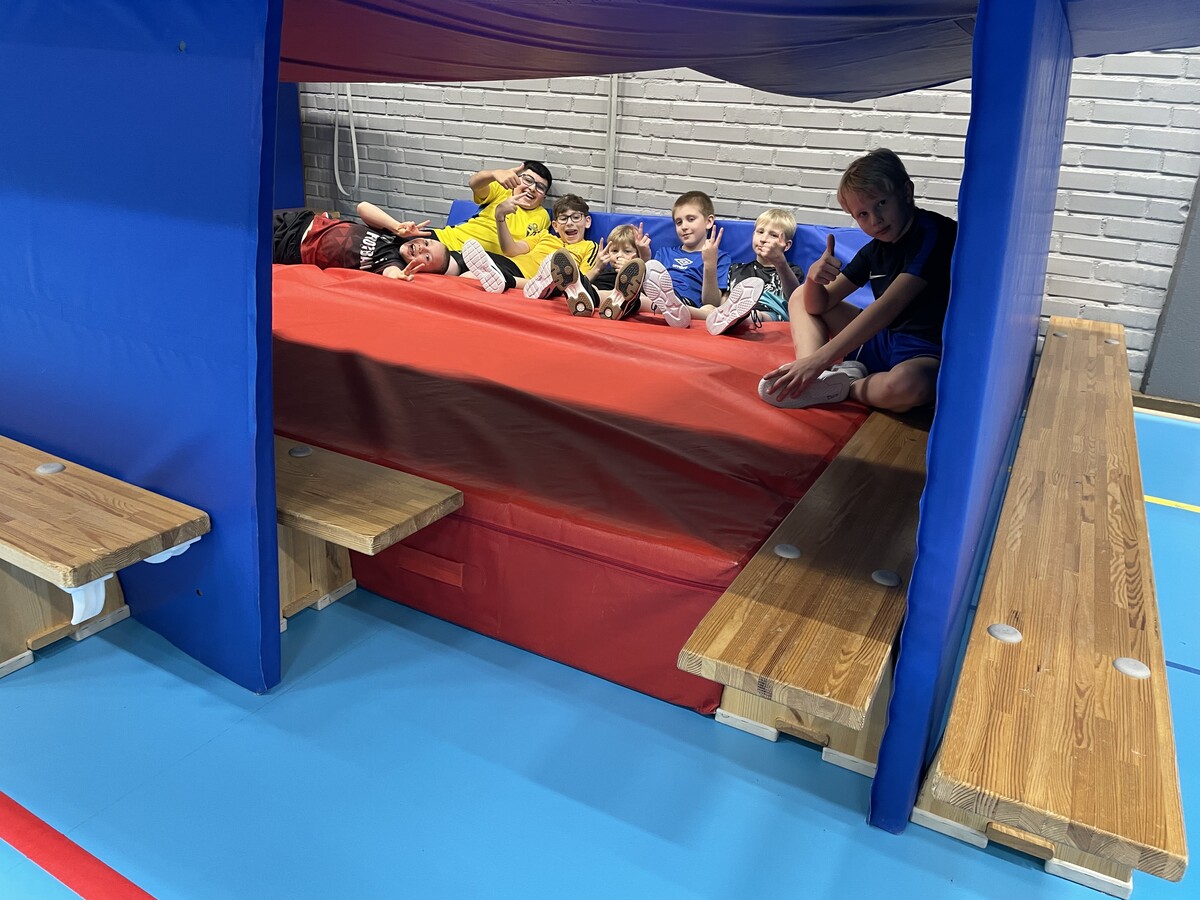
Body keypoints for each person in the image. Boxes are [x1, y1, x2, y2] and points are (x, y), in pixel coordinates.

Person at [759, 148, 957, 412]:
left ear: (906, 192)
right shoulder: (875, 249)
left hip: (923, 349)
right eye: (863, 214)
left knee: (911, 386)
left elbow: (888, 306)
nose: (875, 219)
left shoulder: (934, 233)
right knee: (801, 295)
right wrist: (815, 279)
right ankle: (819, 381)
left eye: (881, 204)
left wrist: (819, 359)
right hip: (882, 339)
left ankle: (846, 386)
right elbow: (818, 305)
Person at [456, 194, 601, 305]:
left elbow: (581, 281)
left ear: (587, 221)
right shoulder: (544, 236)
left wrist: (597, 268)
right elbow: (512, 250)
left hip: (552, 282)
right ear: (555, 226)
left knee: (557, 279)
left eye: (576, 217)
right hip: (514, 267)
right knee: (466, 277)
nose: (569, 223)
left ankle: (507, 280)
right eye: (563, 218)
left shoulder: (590, 246)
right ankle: (504, 278)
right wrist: (500, 218)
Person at [272, 203, 449, 279]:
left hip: (292, 249)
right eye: (426, 243)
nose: (422, 249)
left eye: (427, 257)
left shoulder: (391, 262)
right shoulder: (393, 235)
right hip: (301, 221)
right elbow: (362, 207)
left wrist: (398, 276)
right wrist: (396, 227)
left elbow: (391, 274)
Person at [639, 190, 734, 329]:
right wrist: (644, 258)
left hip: (689, 304)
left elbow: (712, 301)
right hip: (657, 301)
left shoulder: (720, 257)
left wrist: (709, 263)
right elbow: (648, 289)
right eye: (679, 222)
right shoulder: (664, 253)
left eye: (691, 219)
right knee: (637, 296)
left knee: (709, 309)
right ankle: (602, 296)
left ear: (708, 222)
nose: (684, 226)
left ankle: (672, 308)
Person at [432, 162, 553, 254]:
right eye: (528, 180)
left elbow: (522, 251)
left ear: (543, 198)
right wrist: (493, 174)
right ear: (516, 178)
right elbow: (474, 184)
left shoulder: (542, 216)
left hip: (480, 259)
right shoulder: (503, 190)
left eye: (540, 187)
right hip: (447, 239)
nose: (532, 188)